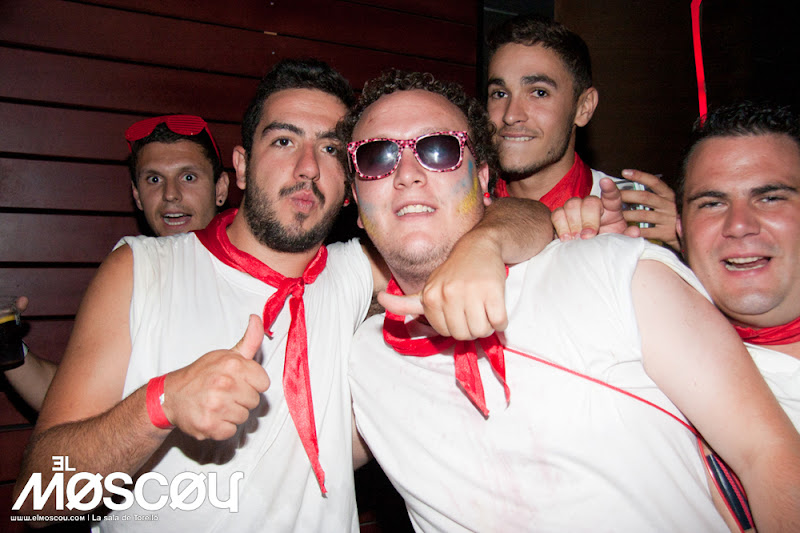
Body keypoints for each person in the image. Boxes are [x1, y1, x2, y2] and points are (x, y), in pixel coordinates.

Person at [13, 59, 552, 531]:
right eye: (284, 141)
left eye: (330, 148)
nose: (307, 167)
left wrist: (484, 243)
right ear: (241, 166)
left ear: (351, 185)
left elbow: (517, 213)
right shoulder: (143, 269)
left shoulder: (359, 270)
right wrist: (160, 405)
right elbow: (39, 501)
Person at [341, 70, 800, 532]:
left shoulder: (613, 271)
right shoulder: (363, 361)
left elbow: (767, 455)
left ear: (483, 180)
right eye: (376, 157)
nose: (407, 174)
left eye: (438, 149)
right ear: (357, 199)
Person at [3, 116, 230, 411]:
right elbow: (73, 409)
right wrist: (5, 343)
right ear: (137, 195)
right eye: (154, 179)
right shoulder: (133, 267)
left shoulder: (261, 266)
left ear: (220, 188)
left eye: (188, 177)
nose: (170, 194)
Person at [485, 13, 679, 249]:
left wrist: (684, 246)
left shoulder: (631, 217)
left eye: (539, 93)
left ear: (583, 107)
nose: (510, 115)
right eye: (499, 94)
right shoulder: (462, 213)